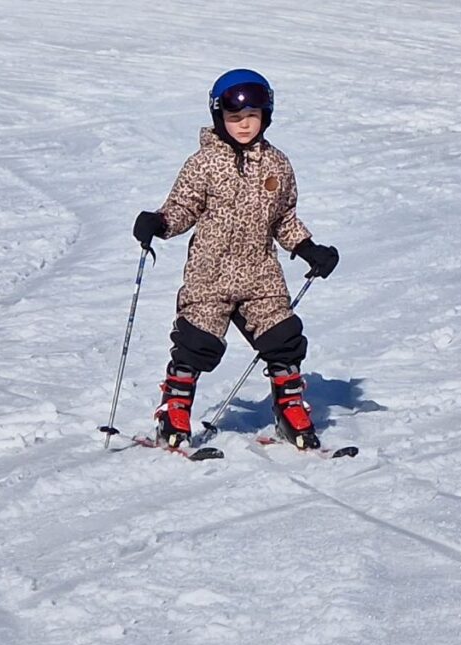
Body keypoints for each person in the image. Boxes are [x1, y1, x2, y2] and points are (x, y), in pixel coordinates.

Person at [132, 69, 340, 449]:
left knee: (283, 338)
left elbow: (283, 219)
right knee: (196, 342)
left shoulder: (277, 165)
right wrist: (159, 223)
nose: (244, 125)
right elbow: (183, 207)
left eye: (252, 116)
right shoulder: (204, 163)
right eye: (234, 117)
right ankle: (174, 411)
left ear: (266, 116)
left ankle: (289, 409)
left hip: (261, 273)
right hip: (210, 273)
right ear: (219, 117)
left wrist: (308, 248)